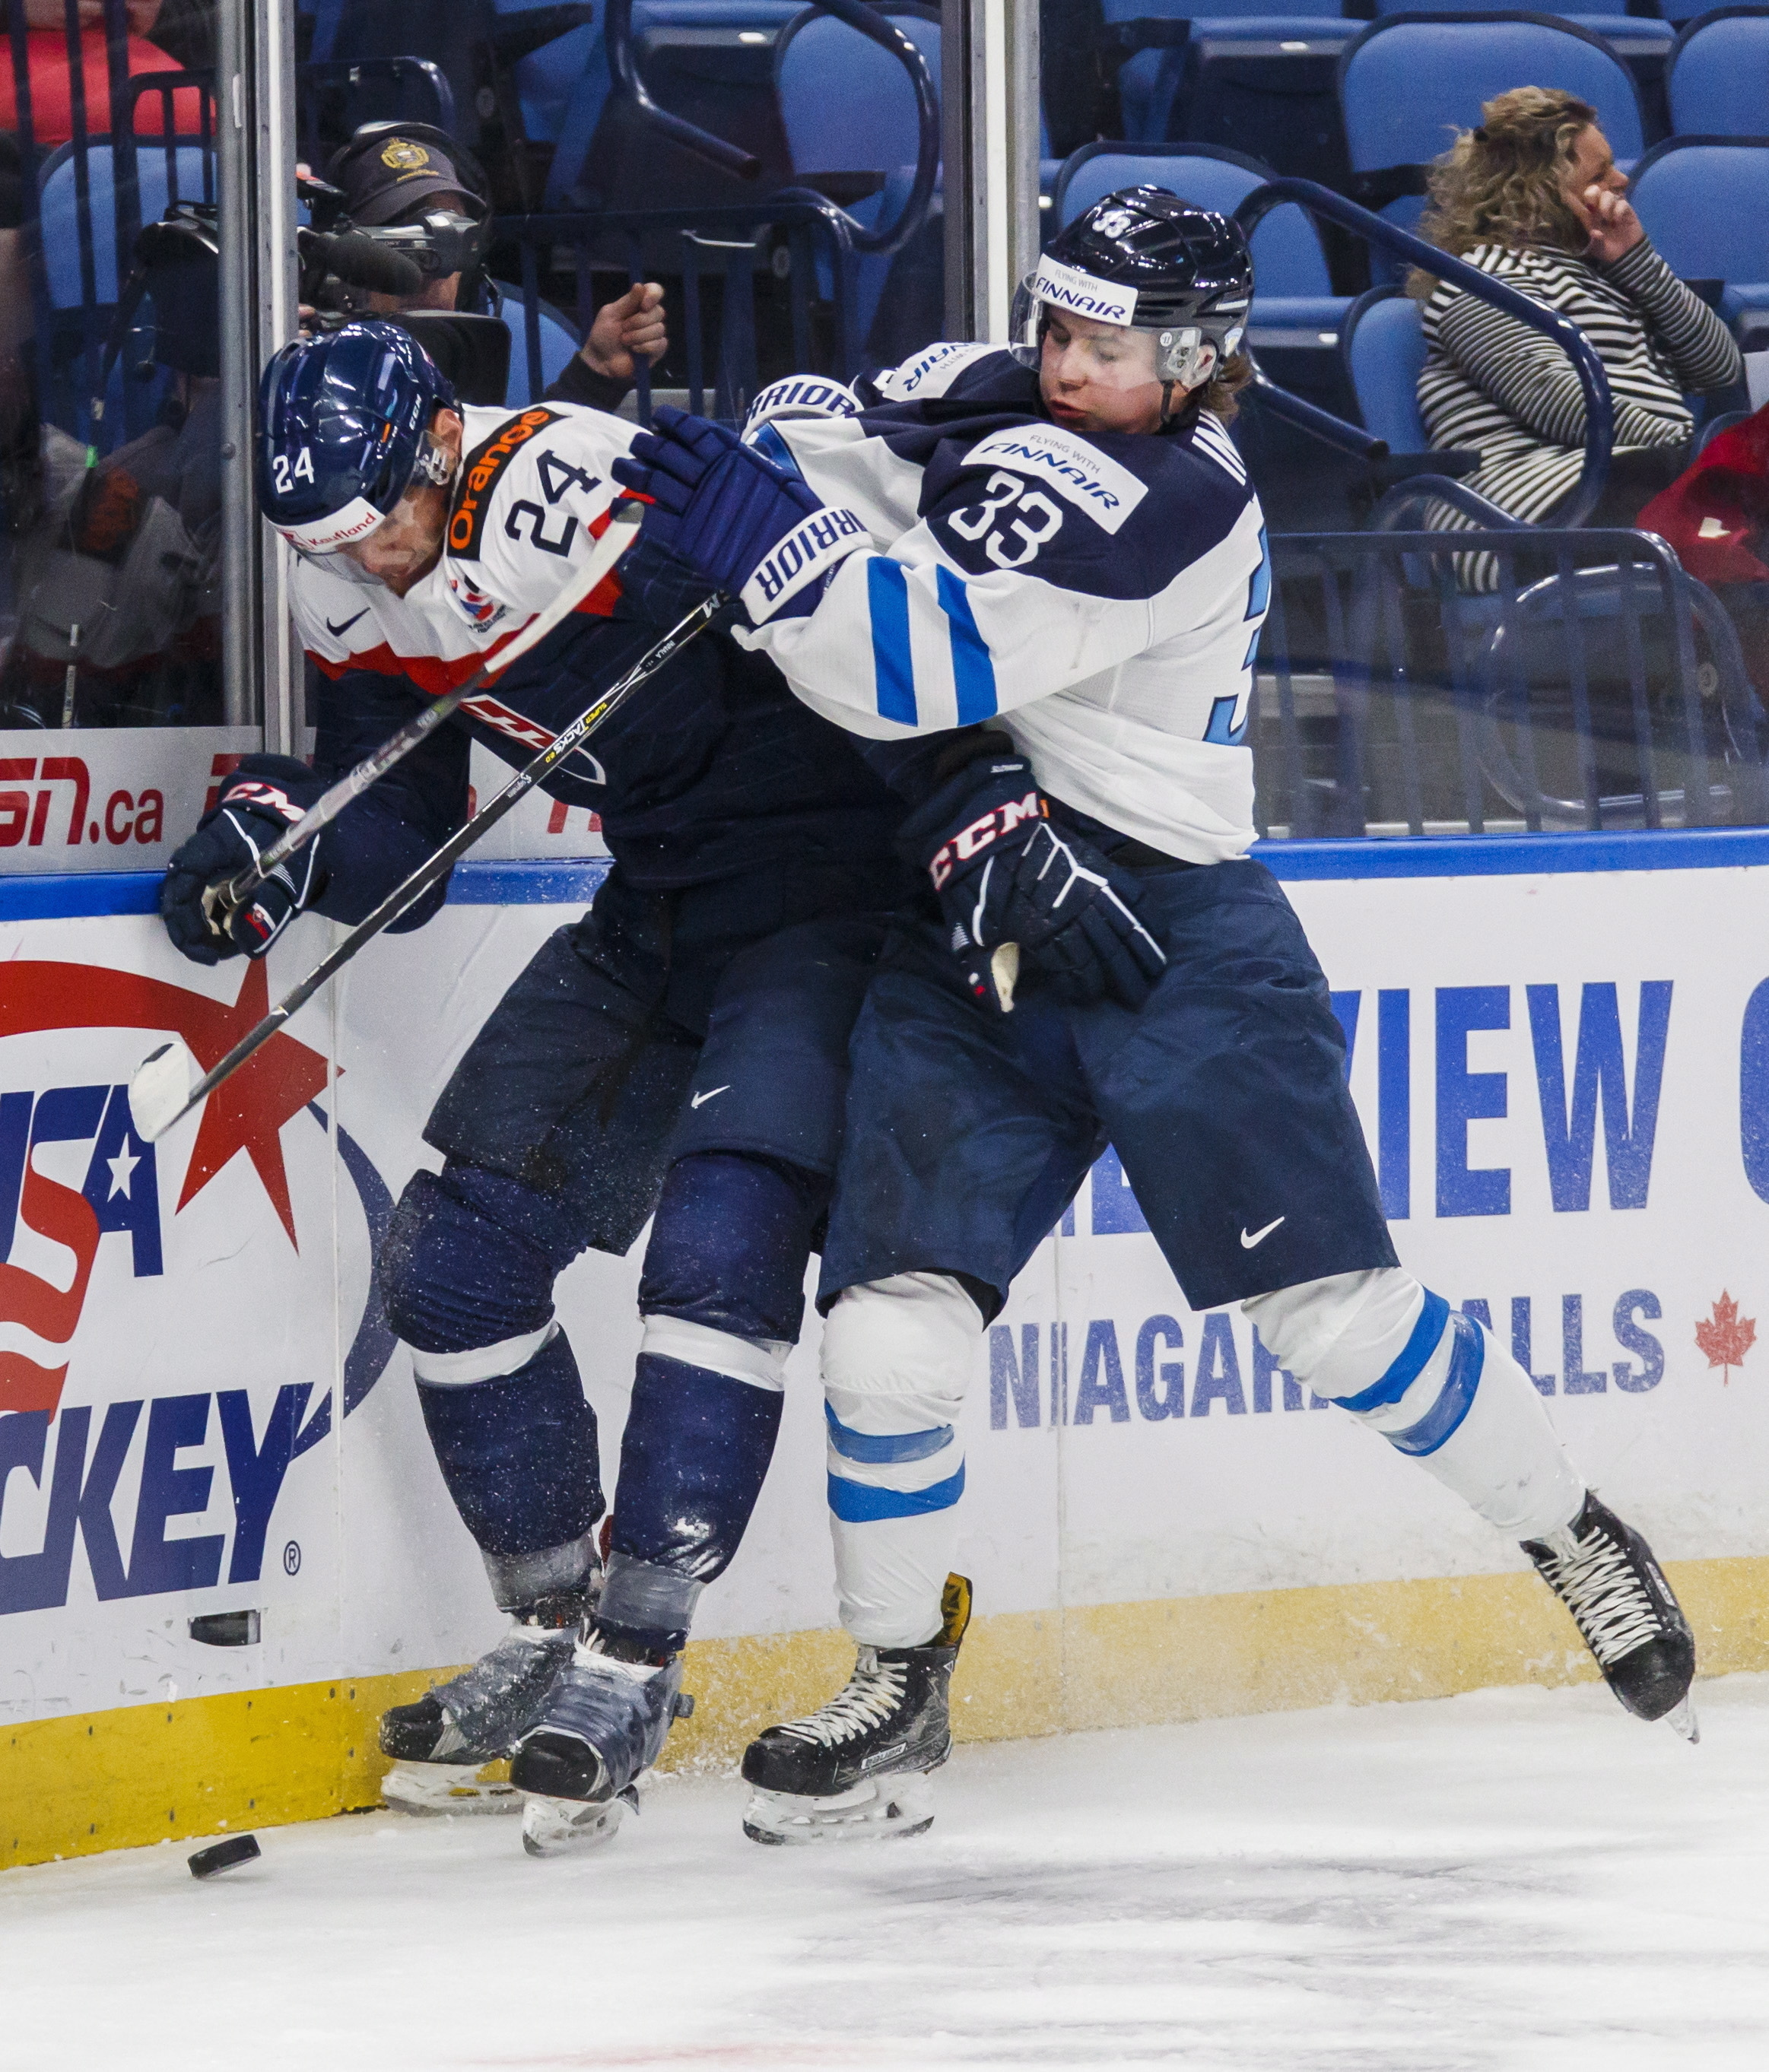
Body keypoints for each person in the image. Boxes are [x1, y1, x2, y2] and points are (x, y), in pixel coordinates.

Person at [611, 186, 1701, 1845]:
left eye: (1100, 345)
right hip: (981, 922)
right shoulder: (1013, 387)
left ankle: (1568, 1533)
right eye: (1053, 329)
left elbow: (909, 663)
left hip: (1178, 930)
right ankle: (897, 1677)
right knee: (886, 1334)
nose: (1059, 365)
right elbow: (838, 423)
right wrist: (798, 462)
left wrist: (774, 538)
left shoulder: (1173, 500)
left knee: (1329, 1317)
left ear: (1193, 361)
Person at [155, 320, 913, 1855]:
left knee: (714, 1262)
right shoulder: (341, 570)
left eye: (378, 520)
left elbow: (863, 652)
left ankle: (639, 1657)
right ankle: (559, 1625)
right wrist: (286, 836)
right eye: (320, 540)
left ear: (439, 444)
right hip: (660, 913)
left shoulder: (577, 484)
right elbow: (408, 844)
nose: (357, 561)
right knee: (454, 1265)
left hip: (830, 906)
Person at [1413, 87, 1742, 579]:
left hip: (1628, 482)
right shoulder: (1480, 282)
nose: (1621, 179)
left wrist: (1638, 261)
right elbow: (1571, 408)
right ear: (1541, 190)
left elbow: (1719, 368)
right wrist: (1701, 457)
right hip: (1528, 512)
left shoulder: (1608, 272)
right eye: (1599, 173)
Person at [318, 120, 665, 411]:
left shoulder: (537, 341)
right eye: (402, 240)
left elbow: (523, 472)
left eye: (452, 236)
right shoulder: (300, 345)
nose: (429, 267)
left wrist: (593, 379)